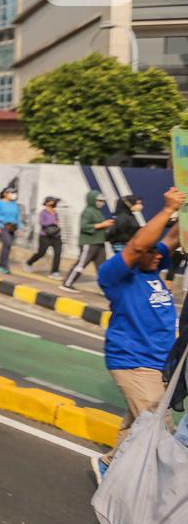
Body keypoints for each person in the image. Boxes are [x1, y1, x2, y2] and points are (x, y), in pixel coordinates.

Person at [90, 187, 183, 485]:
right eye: (151, 251)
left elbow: (170, 238)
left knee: (139, 422)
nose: (160, 255)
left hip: (160, 363)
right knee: (158, 427)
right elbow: (138, 247)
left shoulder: (152, 266)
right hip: (133, 362)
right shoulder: (116, 273)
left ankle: (110, 465)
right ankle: (161, 494)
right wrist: (167, 209)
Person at [63, 190, 114, 292]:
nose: (101, 203)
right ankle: (67, 283)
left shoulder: (98, 212)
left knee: (102, 268)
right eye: (99, 200)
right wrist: (102, 225)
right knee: (81, 264)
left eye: (102, 201)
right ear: (92, 200)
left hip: (99, 242)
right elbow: (84, 226)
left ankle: (105, 289)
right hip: (89, 242)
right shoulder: (88, 211)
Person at [24, 197, 64, 279]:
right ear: (46, 203)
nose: (52, 203)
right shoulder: (43, 213)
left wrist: (58, 224)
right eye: (51, 202)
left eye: (53, 202)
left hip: (56, 236)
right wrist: (53, 222)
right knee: (41, 253)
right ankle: (29, 262)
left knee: (58, 253)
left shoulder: (56, 213)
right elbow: (42, 222)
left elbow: (57, 222)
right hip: (45, 236)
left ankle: (54, 272)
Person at [0, 188, 22, 274]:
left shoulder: (14, 205)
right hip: (1, 226)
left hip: (12, 228)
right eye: (11, 193)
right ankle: (4, 265)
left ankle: (0, 263)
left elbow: (18, 217)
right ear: (5, 194)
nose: (13, 194)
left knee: (8, 246)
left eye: (14, 193)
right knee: (7, 243)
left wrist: (20, 228)